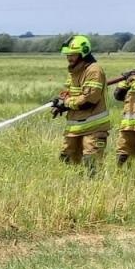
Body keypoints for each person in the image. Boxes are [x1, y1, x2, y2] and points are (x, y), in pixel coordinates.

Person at [50, 34, 110, 170]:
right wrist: (60, 102)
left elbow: (90, 100)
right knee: (66, 160)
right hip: (75, 127)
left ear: (83, 53)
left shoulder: (93, 70)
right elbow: (69, 93)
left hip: (94, 128)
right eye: (67, 55)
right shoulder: (74, 71)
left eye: (73, 54)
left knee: (91, 163)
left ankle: (94, 190)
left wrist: (66, 103)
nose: (69, 58)